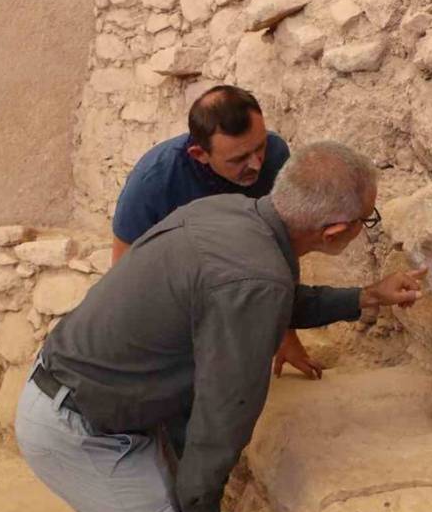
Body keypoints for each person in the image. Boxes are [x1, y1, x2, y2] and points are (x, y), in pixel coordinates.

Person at [15, 142, 426, 512]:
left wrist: (368, 296)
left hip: (76, 396)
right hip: (82, 430)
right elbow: (223, 414)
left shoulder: (228, 212)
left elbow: (262, 299)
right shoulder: (256, 276)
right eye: (366, 220)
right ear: (334, 231)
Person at [112, 85, 323, 381]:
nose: (256, 164)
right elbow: (123, 273)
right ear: (199, 154)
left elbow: (280, 251)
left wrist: (286, 336)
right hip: (172, 284)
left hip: (233, 272)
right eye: (238, 159)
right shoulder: (154, 180)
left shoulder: (275, 155)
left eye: (259, 147)